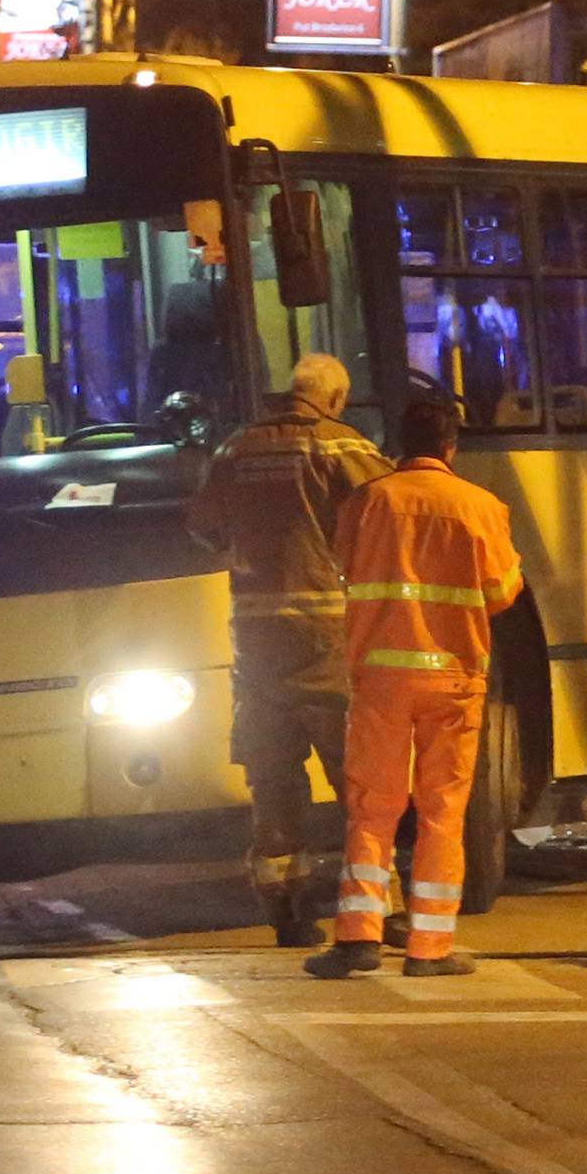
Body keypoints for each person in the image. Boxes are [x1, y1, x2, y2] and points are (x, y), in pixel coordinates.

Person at [306, 395, 525, 979]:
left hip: (381, 676)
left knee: (372, 809)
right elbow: (503, 593)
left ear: (398, 443)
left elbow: (341, 566)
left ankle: (358, 937)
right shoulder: (482, 507)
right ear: (451, 445)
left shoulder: (368, 501)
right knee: (441, 813)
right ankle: (429, 950)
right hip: (454, 681)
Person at [189, 352, 393, 947]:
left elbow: (203, 527)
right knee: (358, 780)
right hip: (326, 637)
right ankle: (377, 908)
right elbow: (390, 514)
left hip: (255, 645)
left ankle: (285, 909)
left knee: (274, 783)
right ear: (331, 400)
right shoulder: (342, 447)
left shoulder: (234, 449)